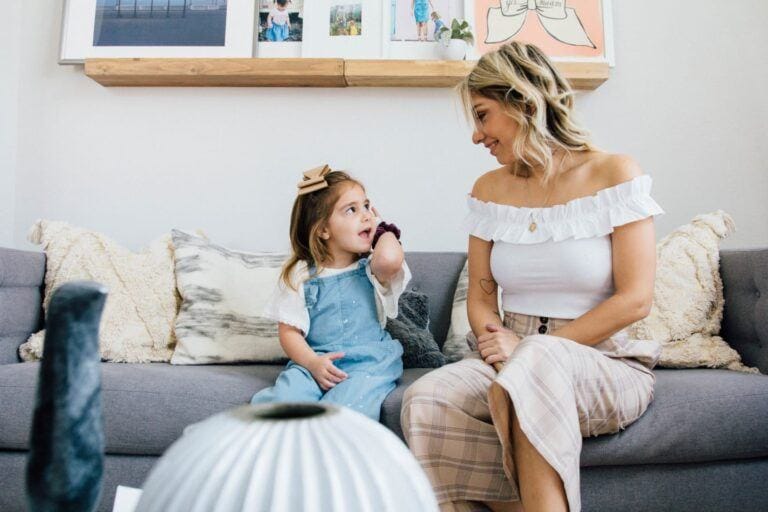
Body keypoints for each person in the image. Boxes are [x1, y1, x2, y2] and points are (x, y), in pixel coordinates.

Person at [401, 41, 664, 512]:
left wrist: (530, 351)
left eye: (482, 116)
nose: (476, 137)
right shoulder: (488, 191)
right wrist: (503, 343)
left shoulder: (614, 174)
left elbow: (635, 300)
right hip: (510, 355)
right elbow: (482, 297)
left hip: (603, 363)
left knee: (537, 365)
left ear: (523, 102)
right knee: (427, 397)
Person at [251, 165, 410, 422]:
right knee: (285, 402)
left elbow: (390, 259)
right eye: (352, 209)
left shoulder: (371, 268)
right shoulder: (301, 275)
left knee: (345, 411)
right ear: (323, 229)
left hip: (367, 363)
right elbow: (289, 332)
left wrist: (383, 228)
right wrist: (312, 363)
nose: (366, 215)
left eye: (367, 206)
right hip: (316, 360)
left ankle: (327, 452)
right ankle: (263, 443)